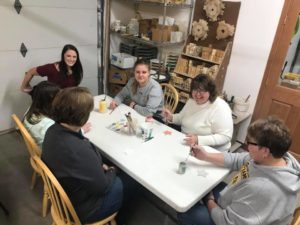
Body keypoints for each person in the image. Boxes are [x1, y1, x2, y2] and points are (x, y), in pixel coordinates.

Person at [178, 117, 300, 225]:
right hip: (241, 203)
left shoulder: (261, 189)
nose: (246, 146)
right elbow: (238, 159)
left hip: (233, 219)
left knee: (186, 210)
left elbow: (226, 222)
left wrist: (208, 199)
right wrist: (206, 156)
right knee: (208, 185)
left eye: (250, 142)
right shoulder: (274, 158)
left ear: (265, 151)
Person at [42, 87, 123, 224]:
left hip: (63, 197)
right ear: (82, 116)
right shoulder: (78, 150)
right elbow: (102, 188)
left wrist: (97, 165)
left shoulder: (52, 130)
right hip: (80, 210)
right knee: (122, 182)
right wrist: (112, 171)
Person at [163, 74, 233, 151]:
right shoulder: (192, 101)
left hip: (210, 151)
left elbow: (225, 136)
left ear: (210, 91)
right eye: (195, 90)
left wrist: (198, 139)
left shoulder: (221, 107)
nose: (197, 94)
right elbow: (181, 118)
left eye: (202, 90)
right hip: (187, 144)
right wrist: (171, 117)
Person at [23, 81, 60, 149]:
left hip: (40, 144)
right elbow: (61, 142)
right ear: (51, 100)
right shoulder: (49, 125)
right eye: (58, 96)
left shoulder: (31, 109)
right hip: (48, 152)